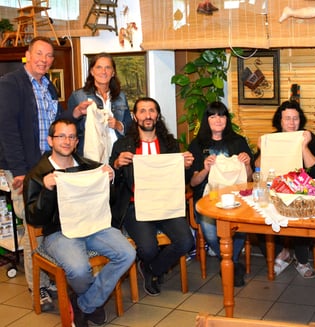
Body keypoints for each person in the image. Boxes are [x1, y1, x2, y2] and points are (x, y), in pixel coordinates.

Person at [23, 119, 136, 327]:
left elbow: (107, 202)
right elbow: (33, 218)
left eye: (72, 136)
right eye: (61, 136)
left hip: (94, 227)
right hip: (59, 233)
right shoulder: (37, 175)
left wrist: (109, 178)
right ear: (50, 140)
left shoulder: (89, 167)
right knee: (79, 269)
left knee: (127, 253)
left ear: (76, 142)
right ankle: (92, 301)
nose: (67, 141)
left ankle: (84, 303)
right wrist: (46, 191)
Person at [0, 36, 80, 311]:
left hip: (47, 165)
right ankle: (39, 287)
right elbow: (7, 129)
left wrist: (74, 113)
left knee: (50, 222)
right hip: (24, 170)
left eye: (49, 56)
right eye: (39, 54)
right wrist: (21, 171)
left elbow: (53, 123)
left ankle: (51, 277)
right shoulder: (11, 84)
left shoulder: (48, 85)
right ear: (27, 54)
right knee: (33, 227)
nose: (44, 60)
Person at [110, 97, 195, 297]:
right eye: (142, 111)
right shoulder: (123, 144)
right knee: (148, 248)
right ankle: (149, 263)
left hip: (166, 204)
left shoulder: (170, 143)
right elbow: (111, 181)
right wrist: (116, 165)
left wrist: (186, 167)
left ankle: (151, 269)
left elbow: (181, 178)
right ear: (134, 116)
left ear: (157, 115)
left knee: (186, 241)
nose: (148, 115)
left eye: (152, 111)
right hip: (135, 206)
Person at [255, 100, 315, 278]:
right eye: (287, 119)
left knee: (300, 216)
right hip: (275, 191)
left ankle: (301, 260)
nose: (292, 123)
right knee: (260, 218)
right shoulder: (271, 139)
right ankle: (281, 254)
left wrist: (303, 146)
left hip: (302, 192)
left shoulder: (308, 138)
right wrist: (262, 150)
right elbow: (257, 169)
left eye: (295, 118)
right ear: (280, 121)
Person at [188, 101, 253, 287]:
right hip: (207, 200)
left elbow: (248, 179)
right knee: (208, 228)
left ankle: (228, 264)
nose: (218, 119)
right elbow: (193, 182)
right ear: (206, 120)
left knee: (242, 225)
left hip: (238, 199)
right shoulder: (197, 145)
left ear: (227, 119)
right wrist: (205, 169)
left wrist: (247, 163)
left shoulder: (238, 141)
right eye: (213, 115)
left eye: (222, 115)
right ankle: (232, 264)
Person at [67, 52, 132, 158]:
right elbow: (70, 128)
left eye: (107, 67)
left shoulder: (121, 96)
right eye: (99, 67)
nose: (103, 72)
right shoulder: (78, 96)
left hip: (118, 155)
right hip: (91, 156)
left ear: (113, 72)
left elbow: (130, 126)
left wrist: (118, 125)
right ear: (92, 71)